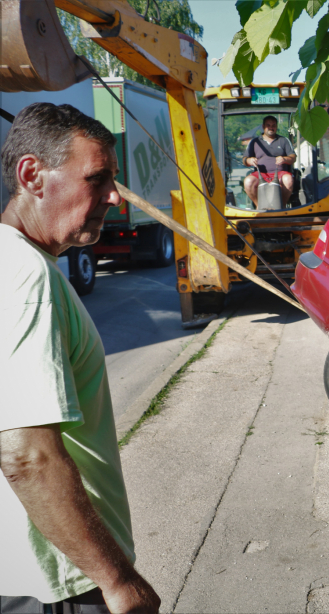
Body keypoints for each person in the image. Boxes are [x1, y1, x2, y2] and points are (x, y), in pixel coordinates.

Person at [0, 103, 160, 612]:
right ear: (32, 175)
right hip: (60, 579)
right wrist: (116, 580)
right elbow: (25, 454)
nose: (115, 196)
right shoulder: (28, 278)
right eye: (98, 178)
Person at [242, 115, 296, 208]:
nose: (271, 127)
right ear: (263, 127)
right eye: (268, 125)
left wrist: (284, 159)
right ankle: (259, 207)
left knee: (288, 180)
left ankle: (282, 207)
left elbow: (293, 157)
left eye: (273, 125)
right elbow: (244, 160)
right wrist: (249, 160)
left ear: (276, 127)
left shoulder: (283, 140)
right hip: (260, 174)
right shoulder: (255, 142)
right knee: (248, 181)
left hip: (280, 174)